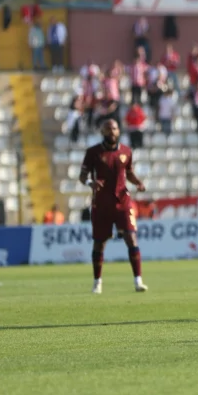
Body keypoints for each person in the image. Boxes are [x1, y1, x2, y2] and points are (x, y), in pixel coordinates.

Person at [79, 118, 148, 294]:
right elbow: (82, 176)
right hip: (101, 204)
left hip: (123, 202)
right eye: (108, 128)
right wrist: (90, 183)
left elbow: (129, 172)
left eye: (115, 128)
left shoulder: (126, 151)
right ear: (102, 131)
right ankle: (97, 282)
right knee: (99, 243)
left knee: (131, 238)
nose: (112, 131)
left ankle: (138, 281)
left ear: (119, 131)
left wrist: (138, 183)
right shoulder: (93, 152)